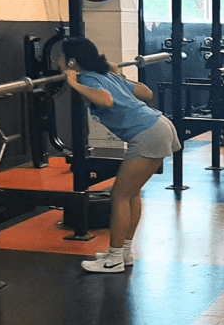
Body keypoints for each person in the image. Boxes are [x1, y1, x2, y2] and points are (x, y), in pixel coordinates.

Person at [62, 38, 181, 273]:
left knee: (119, 195)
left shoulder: (87, 78)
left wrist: (73, 83)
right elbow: (146, 93)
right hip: (159, 125)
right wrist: (119, 78)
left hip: (147, 133)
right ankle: (123, 252)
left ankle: (114, 258)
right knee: (131, 193)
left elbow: (105, 100)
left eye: (61, 58)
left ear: (72, 62)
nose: (58, 62)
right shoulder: (108, 76)